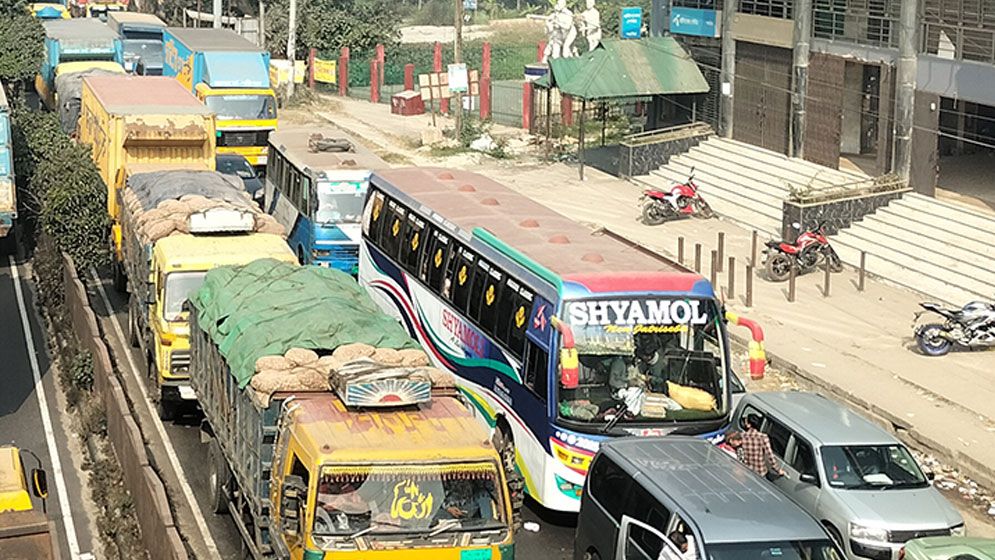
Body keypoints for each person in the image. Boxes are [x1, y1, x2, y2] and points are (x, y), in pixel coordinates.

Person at [739, 414, 784, 479]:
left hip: (747, 471)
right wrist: (778, 469)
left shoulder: (742, 436)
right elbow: (770, 456)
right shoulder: (763, 437)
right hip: (760, 472)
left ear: (749, 425)